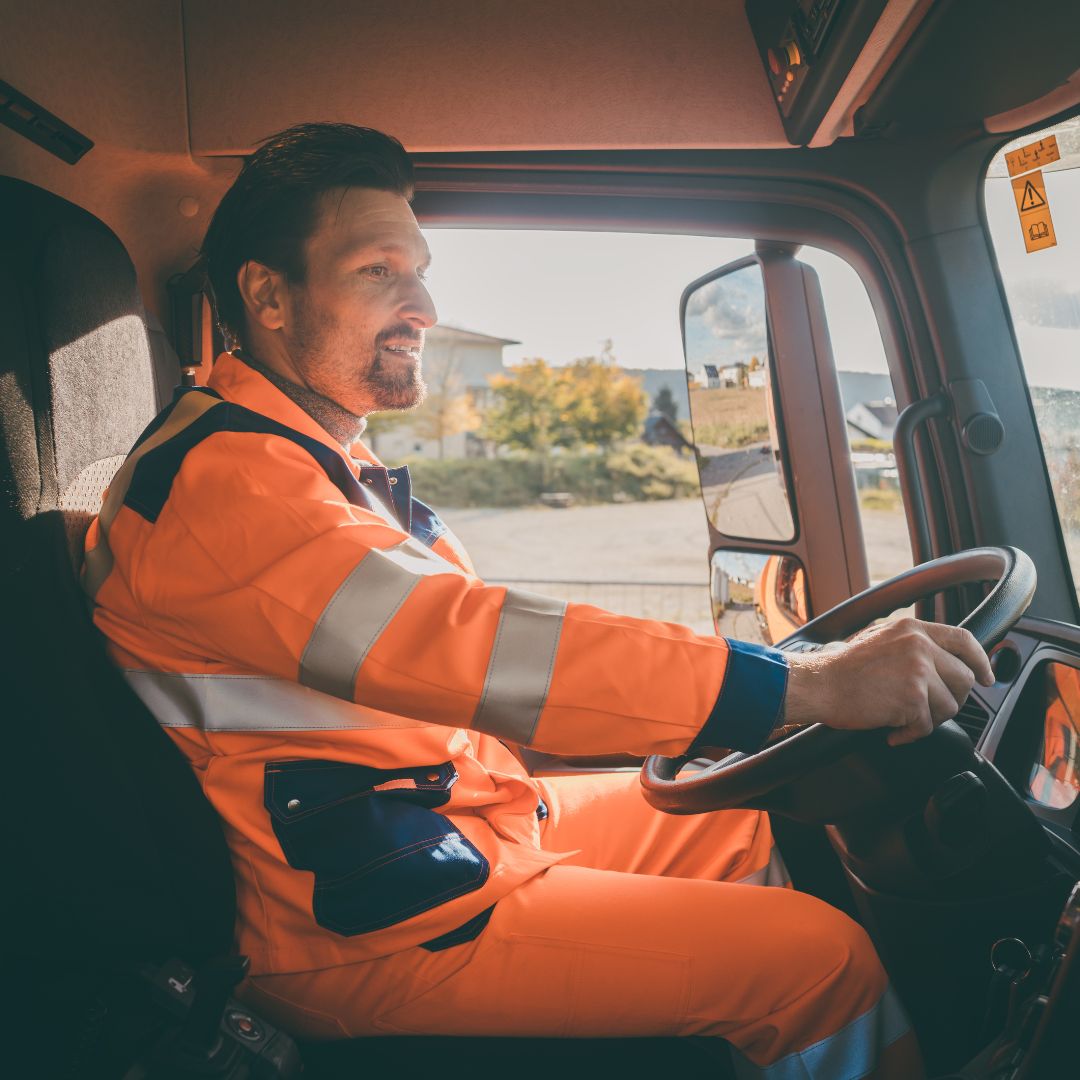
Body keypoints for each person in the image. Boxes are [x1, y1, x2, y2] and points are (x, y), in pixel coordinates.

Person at [84, 122, 993, 1077]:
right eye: (376, 271)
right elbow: (470, 645)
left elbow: (476, 641)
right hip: (358, 922)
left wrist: (769, 685)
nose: (423, 304)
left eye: (420, 269)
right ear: (267, 295)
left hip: (439, 829)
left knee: (737, 816)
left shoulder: (299, 459)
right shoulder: (231, 486)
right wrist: (796, 686)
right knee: (822, 963)